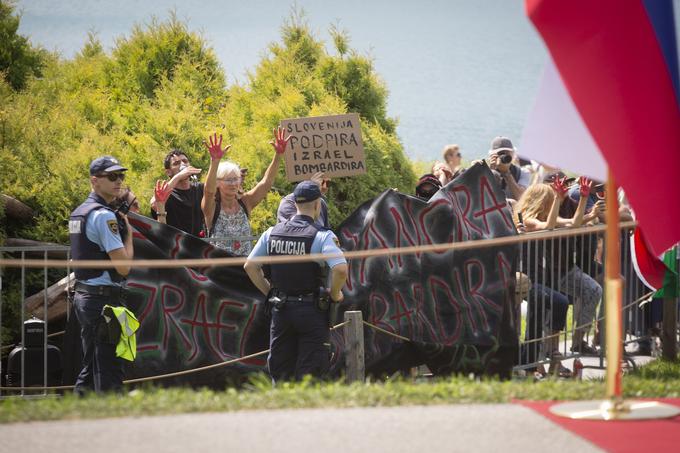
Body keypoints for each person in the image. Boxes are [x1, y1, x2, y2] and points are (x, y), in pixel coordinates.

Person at [244, 180, 348, 383]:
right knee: (310, 373)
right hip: (311, 312)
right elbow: (341, 269)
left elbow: (250, 266)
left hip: (281, 311)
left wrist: (269, 292)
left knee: (281, 370)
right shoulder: (322, 236)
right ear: (318, 204)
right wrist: (335, 293)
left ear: (295, 204)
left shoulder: (271, 233)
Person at [69, 156, 134, 394]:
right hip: (104, 301)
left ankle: (77, 421)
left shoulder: (80, 212)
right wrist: (128, 233)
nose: (119, 181)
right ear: (95, 181)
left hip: (87, 297)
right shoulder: (105, 216)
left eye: (121, 176)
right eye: (112, 176)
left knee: (91, 366)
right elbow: (124, 267)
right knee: (109, 368)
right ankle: (111, 423)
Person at [201, 128, 287, 256]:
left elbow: (266, 182)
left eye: (236, 179)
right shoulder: (211, 208)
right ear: (218, 183)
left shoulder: (245, 202)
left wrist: (278, 155)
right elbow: (208, 191)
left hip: (245, 269)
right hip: (220, 271)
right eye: (229, 180)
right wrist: (215, 162)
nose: (234, 184)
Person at [150, 149, 205, 236]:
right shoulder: (168, 193)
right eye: (176, 163)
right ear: (168, 172)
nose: (183, 165)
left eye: (185, 161)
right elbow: (155, 204)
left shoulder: (200, 188)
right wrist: (178, 176)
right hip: (174, 245)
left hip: (199, 246)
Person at [487, 136, 531, 202]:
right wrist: (489, 173)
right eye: (500, 153)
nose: (504, 156)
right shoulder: (484, 171)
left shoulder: (522, 173)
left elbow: (521, 197)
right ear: (492, 155)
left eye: (507, 153)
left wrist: (506, 173)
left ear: (513, 154)